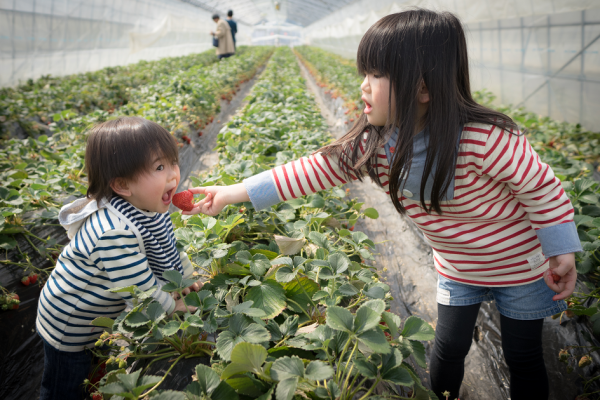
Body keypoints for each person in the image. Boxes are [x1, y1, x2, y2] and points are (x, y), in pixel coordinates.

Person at [185, 9, 582, 400]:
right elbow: (308, 171)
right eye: (365, 73)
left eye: (377, 74)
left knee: (522, 356)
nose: (363, 85)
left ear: (423, 89)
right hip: (458, 269)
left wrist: (561, 249)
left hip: (522, 268)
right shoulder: (376, 145)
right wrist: (233, 192)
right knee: (448, 349)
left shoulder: (486, 141)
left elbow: (543, 191)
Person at [36, 117, 201, 400]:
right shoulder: (113, 232)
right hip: (70, 324)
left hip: (99, 316)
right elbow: (139, 288)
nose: (174, 175)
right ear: (123, 185)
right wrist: (173, 307)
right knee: (65, 387)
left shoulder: (147, 209)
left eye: (173, 163)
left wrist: (186, 280)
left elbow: (173, 248)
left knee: (95, 369)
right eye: (160, 167)